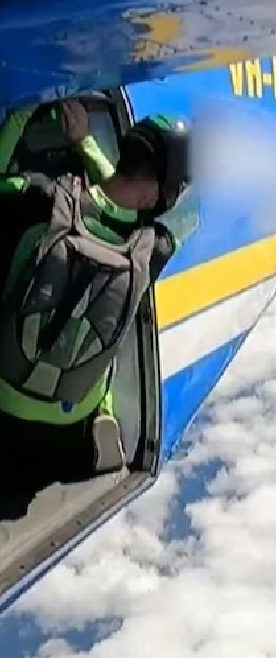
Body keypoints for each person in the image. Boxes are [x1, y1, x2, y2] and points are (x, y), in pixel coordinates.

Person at [0, 99, 191, 482]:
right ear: (158, 194)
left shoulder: (38, 198)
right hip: (70, 432)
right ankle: (102, 411)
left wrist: (22, 116)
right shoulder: (155, 249)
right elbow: (129, 210)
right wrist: (88, 146)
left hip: (4, 411)